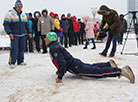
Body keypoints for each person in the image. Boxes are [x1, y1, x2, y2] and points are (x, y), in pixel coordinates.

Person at [45, 32, 135, 84]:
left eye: (46, 38)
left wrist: (60, 76)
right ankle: (109, 64)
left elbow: (62, 62)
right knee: (92, 67)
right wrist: (60, 70)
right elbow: (61, 61)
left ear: (50, 39)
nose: (45, 39)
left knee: (97, 72)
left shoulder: (54, 48)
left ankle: (121, 71)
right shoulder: (55, 46)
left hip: (76, 67)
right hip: (75, 63)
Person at [3, 0, 32, 69]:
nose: (19, 8)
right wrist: (9, 33)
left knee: (22, 48)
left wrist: (29, 32)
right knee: (14, 49)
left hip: (22, 34)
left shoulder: (23, 15)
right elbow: (6, 25)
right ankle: (12, 62)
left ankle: (20, 61)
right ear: (15, 7)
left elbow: (26, 25)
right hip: (14, 35)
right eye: (18, 7)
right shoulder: (10, 14)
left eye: (21, 7)